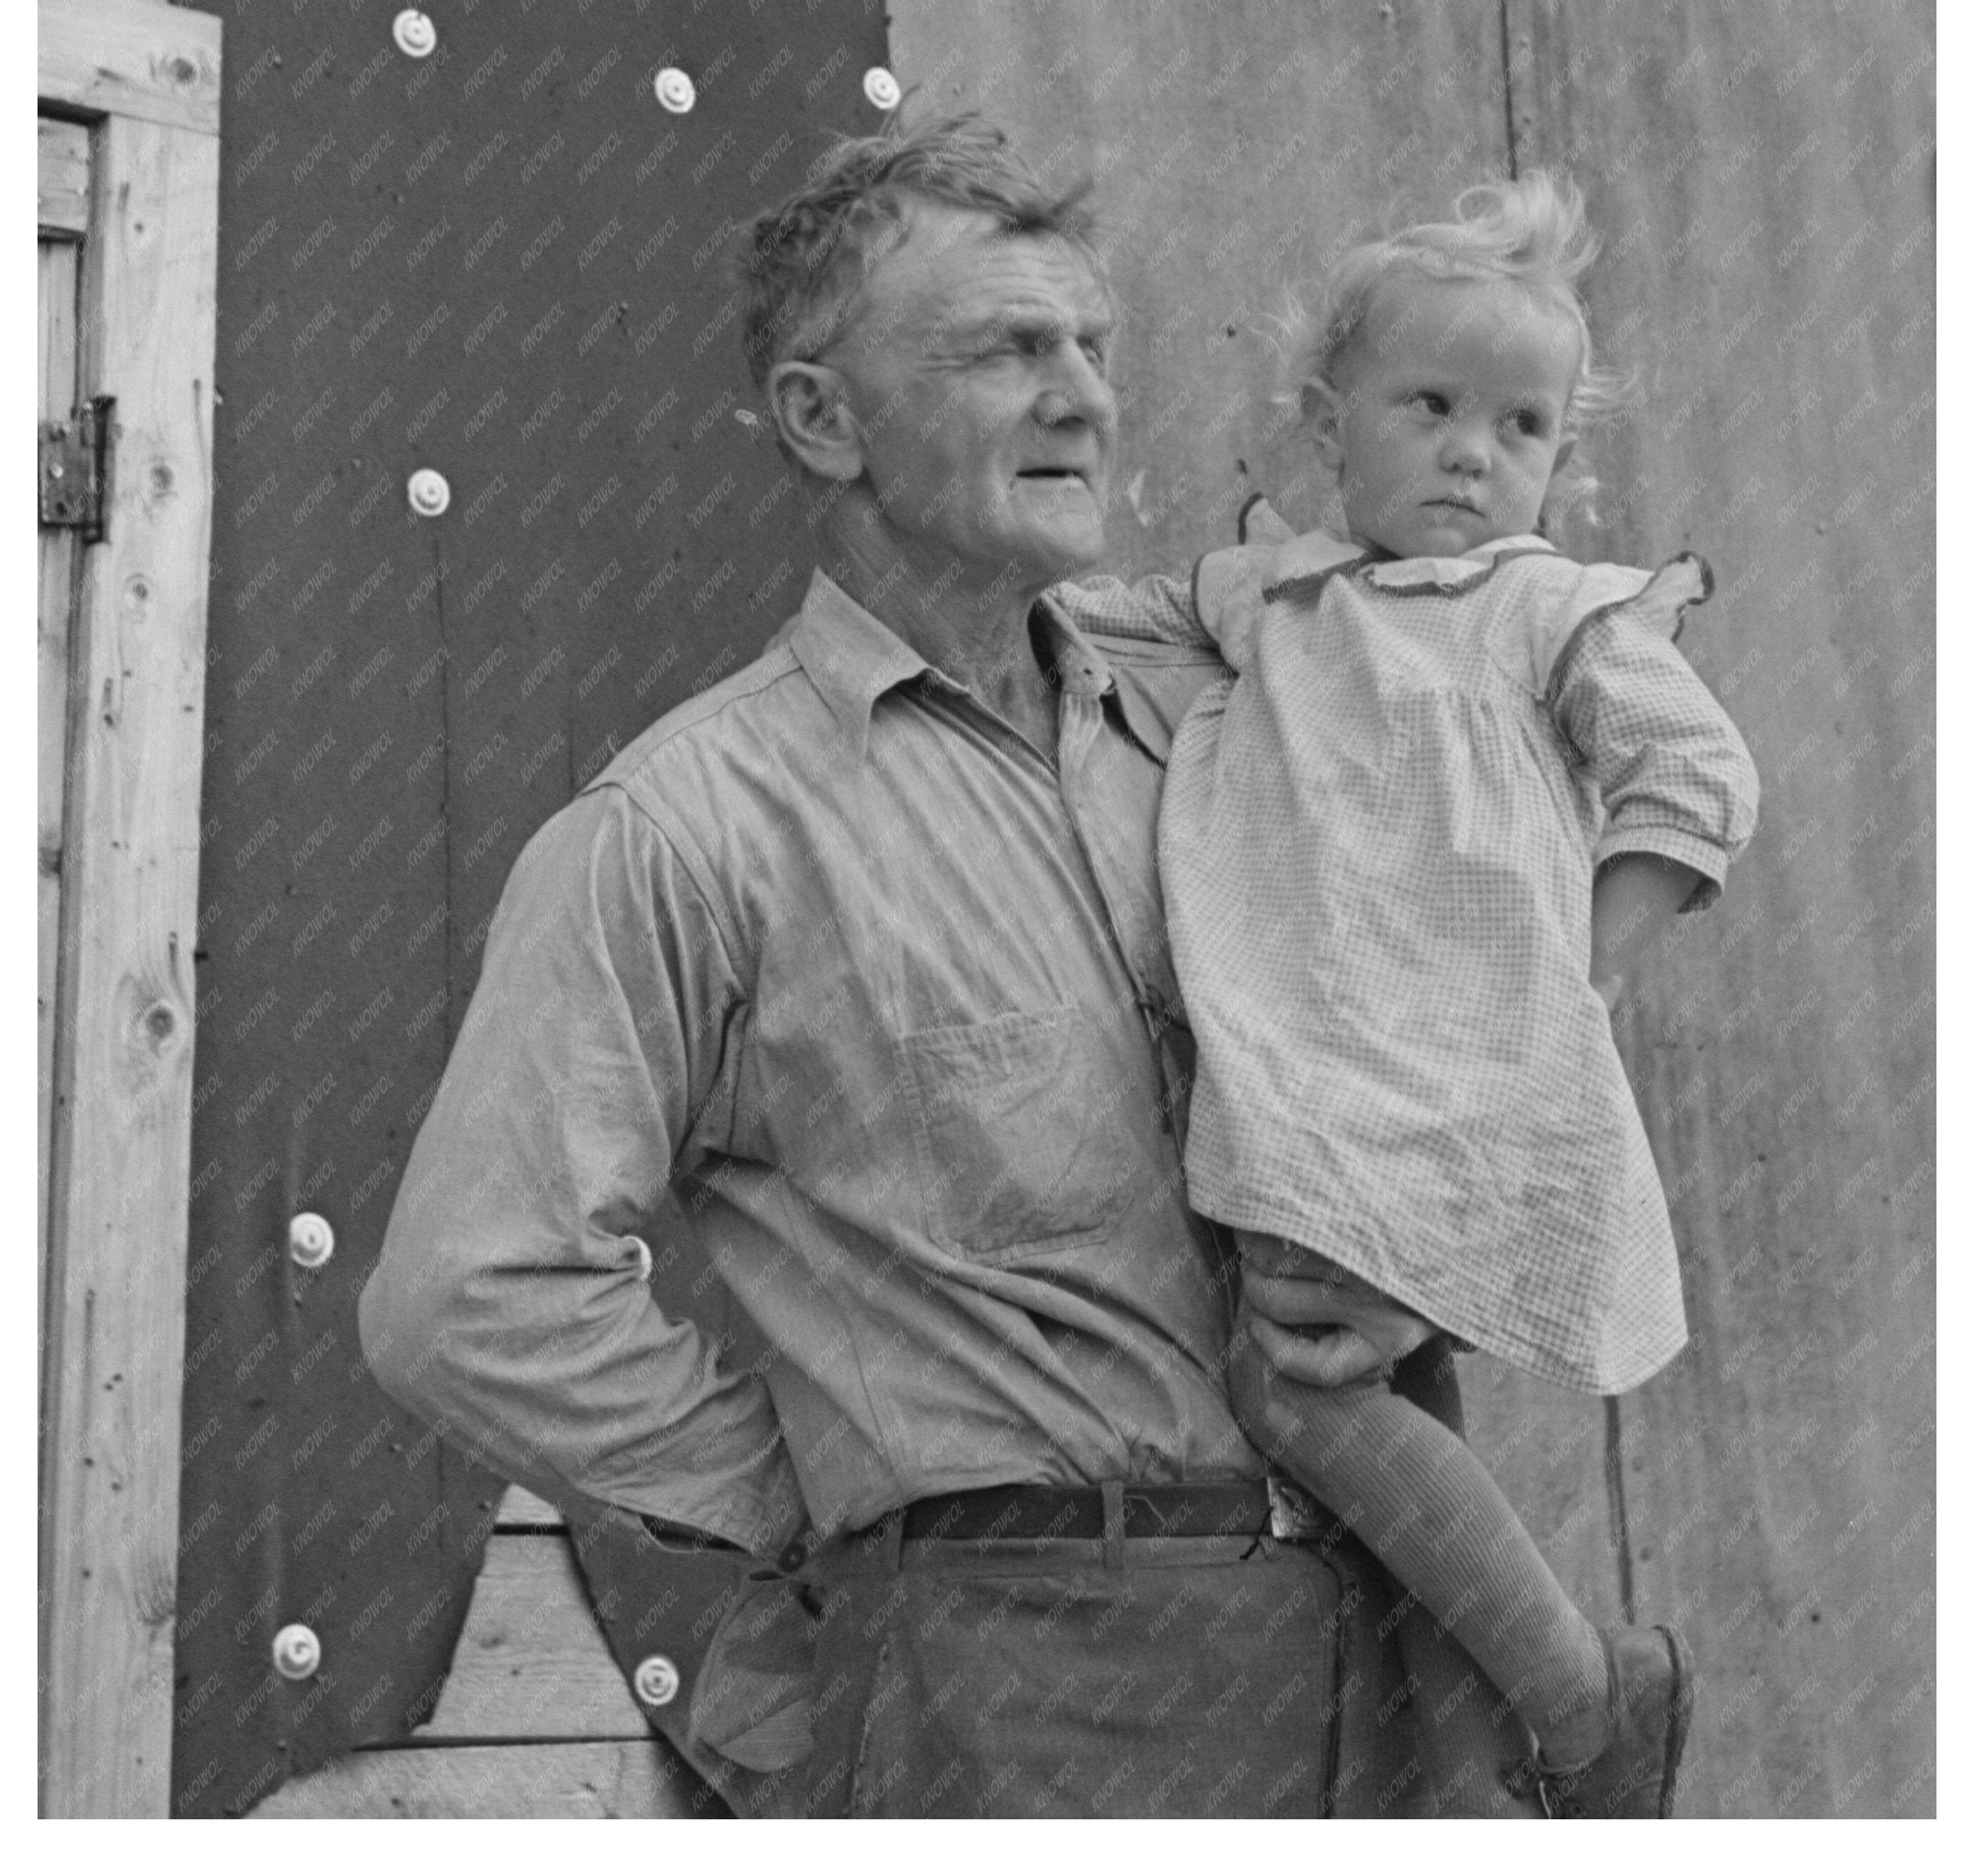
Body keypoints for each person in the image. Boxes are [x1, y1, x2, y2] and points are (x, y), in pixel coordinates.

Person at [358, 112, 1544, 1818]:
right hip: (1024, 1700)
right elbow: (463, 1294)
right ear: (821, 420)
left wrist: (1417, 1265)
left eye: (1091, 346)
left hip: (1379, 1664)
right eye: (1005, 349)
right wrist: (825, 1495)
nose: (1082, 395)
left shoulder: (1230, 721)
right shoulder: (685, 831)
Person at [1071, 172, 1759, 1815]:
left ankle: (1583, 1705)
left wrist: (1581, 968)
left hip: (1447, 1077)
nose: (1472, 452)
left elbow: (1692, 766)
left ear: (1555, 464)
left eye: (1519, 427)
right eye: (1429, 406)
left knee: (1297, 1382)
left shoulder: (1545, 608)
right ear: (1326, 421)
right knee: (1373, 1402)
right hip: (1306, 1074)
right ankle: (1460, 1777)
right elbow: (1082, 619)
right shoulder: (1269, 596)